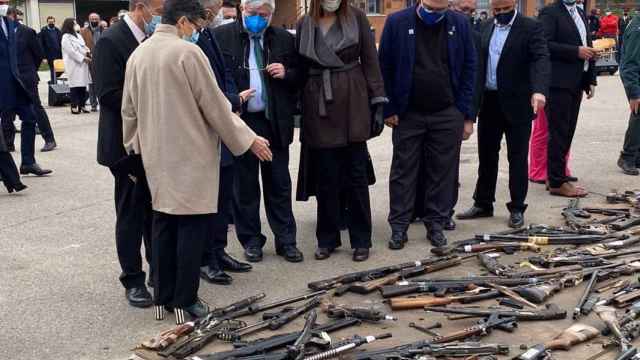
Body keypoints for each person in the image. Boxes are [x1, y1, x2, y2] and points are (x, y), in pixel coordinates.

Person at [122, 0, 271, 323]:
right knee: (190, 229)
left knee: (162, 225)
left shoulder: (140, 53)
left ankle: (162, 293)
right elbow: (215, 105)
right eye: (198, 26)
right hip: (190, 155)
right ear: (185, 22)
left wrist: (135, 149)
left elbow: (128, 112)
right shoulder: (188, 53)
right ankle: (185, 299)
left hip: (155, 156)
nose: (199, 32)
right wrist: (249, 140)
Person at [380, 0, 476, 249]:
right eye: (431, 9)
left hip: (447, 112)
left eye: (440, 10)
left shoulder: (460, 24)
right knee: (403, 172)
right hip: (408, 113)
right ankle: (399, 227)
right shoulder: (397, 22)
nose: (435, 14)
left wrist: (465, 114)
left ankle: (436, 224)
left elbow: (469, 68)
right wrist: (388, 108)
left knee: (442, 173)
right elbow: (384, 67)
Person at [296, 0, 385, 262]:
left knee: (356, 176)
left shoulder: (357, 18)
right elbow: (299, 69)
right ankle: (327, 238)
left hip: (352, 102)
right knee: (325, 176)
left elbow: (371, 62)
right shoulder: (304, 23)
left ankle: (361, 240)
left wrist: (378, 101)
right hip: (318, 102)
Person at [215, 0, 303, 264]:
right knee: (245, 186)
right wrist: (233, 99)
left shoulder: (284, 39)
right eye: (252, 14)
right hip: (241, 122)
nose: (257, 19)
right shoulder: (222, 37)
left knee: (279, 183)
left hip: (273, 121)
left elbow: (302, 76)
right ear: (243, 11)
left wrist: (287, 73)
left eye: (263, 15)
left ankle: (286, 241)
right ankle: (251, 241)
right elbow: (211, 81)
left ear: (271, 15)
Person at [93, 0, 165, 309]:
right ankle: (133, 279)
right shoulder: (111, 40)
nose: (161, 14)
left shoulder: (154, 40)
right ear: (141, 6)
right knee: (131, 213)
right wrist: (155, 100)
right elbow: (108, 94)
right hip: (123, 145)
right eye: (158, 7)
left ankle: (158, 271)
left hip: (154, 141)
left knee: (155, 210)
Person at [457, 0, 550, 229]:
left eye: (504, 10)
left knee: (517, 158)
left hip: (518, 103)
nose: (499, 15)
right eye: (495, 11)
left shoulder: (530, 27)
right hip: (489, 101)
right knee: (487, 155)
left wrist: (538, 90)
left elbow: (540, 59)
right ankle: (483, 203)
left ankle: (517, 207)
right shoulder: (486, 26)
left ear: (514, 6)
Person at [196, 0, 254, 285]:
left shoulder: (209, 33)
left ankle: (219, 251)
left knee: (223, 198)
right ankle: (205, 259)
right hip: (206, 131)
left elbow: (225, 73)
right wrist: (231, 101)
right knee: (208, 201)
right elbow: (204, 87)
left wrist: (234, 100)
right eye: (214, 4)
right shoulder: (192, 38)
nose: (217, 10)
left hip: (225, 123)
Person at [539, 0, 596, 197]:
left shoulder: (579, 13)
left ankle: (556, 174)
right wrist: (575, 51)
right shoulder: (550, 12)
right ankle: (556, 182)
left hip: (576, 81)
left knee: (567, 132)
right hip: (558, 83)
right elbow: (544, 44)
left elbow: (588, 44)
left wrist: (590, 79)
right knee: (559, 132)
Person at [0, 0, 52, 177]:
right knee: (5, 122)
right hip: (2, 85)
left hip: (20, 83)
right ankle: (5, 168)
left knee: (30, 117)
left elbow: (36, 55)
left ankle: (28, 162)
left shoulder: (17, 28)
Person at [618, 11, 640, 175]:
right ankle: (627, 157)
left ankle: (636, 156)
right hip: (635, 78)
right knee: (638, 115)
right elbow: (629, 62)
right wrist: (634, 93)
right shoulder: (637, 28)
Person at [61, 18, 91, 114]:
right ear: (69, 25)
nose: (77, 25)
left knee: (82, 85)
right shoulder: (66, 37)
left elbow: (83, 46)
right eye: (75, 24)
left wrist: (88, 53)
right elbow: (71, 51)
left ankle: (82, 105)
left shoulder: (78, 35)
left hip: (82, 64)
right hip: (73, 64)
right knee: (74, 86)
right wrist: (82, 58)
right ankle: (74, 106)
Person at [80, 12, 103, 112]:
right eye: (92, 19)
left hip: (102, 60)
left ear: (99, 19)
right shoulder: (83, 31)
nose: (94, 21)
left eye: (96, 19)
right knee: (91, 84)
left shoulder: (104, 30)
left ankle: (103, 103)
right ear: (89, 20)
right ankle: (93, 104)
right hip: (89, 60)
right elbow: (81, 45)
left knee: (102, 83)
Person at [39, 16, 62, 84]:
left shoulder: (57, 30)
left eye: (52, 22)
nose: (51, 23)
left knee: (59, 69)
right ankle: (53, 82)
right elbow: (41, 44)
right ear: (47, 22)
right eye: (50, 22)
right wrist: (44, 57)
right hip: (49, 54)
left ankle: (54, 80)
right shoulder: (44, 31)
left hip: (58, 54)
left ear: (54, 22)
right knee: (52, 69)